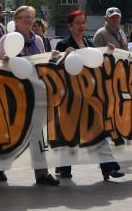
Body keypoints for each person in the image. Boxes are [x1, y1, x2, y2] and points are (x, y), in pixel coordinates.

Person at [53, 10, 124, 181]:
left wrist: (108, 51)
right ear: (70, 26)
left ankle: (108, 167)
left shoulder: (89, 43)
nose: (81, 26)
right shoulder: (63, 44)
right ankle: (63, 166)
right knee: (69, 134)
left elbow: (97, 62)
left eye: (83, 22)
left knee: (98, 129)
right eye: (77, 23)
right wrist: (64, 57)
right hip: (70, 97)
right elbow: (54, 67)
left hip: (89, 97)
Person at [0, 6, 57, 186]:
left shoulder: (37, 40)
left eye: (31, 18)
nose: (28, 21)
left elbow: (41, 63)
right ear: (16, 20)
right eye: (24, 18)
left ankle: (42, 173)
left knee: (37, 131)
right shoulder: (7, 39)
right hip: (12, 93)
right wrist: (4, 61)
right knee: (12, 131)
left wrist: (51, 56)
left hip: (34, 93)